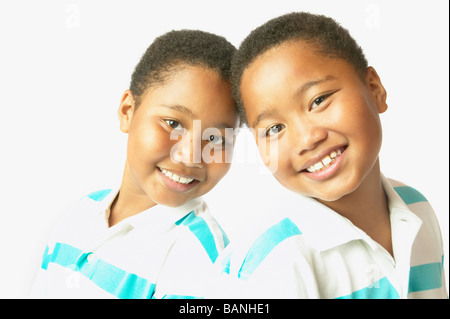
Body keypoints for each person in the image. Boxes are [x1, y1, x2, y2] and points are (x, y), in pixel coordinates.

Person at [215, 12, 447, 298]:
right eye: (275, 128)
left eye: (319, 100)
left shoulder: (417, 208)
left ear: (374, 89)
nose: (307, 139)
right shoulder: (275, 261)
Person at [31, 30, 238, 299]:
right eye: (173, 123)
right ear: (128, 111)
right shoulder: (80, 213)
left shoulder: (201, 261)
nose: (190, 155)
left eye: (214, 138)